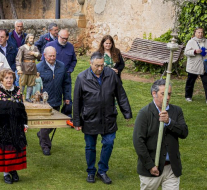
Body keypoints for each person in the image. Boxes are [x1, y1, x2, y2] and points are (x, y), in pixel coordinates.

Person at [73, 52, 132, 184]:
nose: (100, 68)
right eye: (97, 66)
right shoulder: (81, 77)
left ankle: (102, 171)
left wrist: (126, 112)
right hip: (90, 118)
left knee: (109, 143)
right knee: (90, 146)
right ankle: (90, 171)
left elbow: (120, 94)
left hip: (108, 117)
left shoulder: (111, 74)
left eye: (102, 65)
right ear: (90, 63)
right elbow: (77, 101)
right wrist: (77, 121)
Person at [133, 79, 188, 190]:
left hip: (171, 168)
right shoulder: (144, 113)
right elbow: (138, 142)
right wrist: (150, 165)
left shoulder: (176, 111)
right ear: (154, 94)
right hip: (152, 169)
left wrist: (169, 122)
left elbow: (184, 132)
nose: (167, 97)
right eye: (163, 94)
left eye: (169, 94)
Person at [0, 69, 28, 184]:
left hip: (16, 126)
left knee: (15, 150)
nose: (9, 80)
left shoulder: (18, 91)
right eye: (6, 78)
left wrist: (24, 123)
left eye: (11, 78)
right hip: (1, 127)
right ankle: (5, 173)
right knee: (5, 151)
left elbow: (22, 109)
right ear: (2, 80)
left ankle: (13, 170)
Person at [36, 46, 71, 155]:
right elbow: (34, 86)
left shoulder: (62, 66)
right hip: (44, 102)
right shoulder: (39, 68)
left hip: (57, 100)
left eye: (54, 55)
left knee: (54, 123)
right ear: (44, 55)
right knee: (46, 124)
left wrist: (67, 97)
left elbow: (66, 83)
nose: (52, 58)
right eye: (50, 56)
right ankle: (46, 146)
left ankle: (41, 134)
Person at [184, 27, 207, 102]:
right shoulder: (191, 42)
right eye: (198, 32)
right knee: (190, 82)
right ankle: (188, 96)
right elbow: (186, 52)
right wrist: (194, 51)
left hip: (204, 65)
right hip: (194, 65)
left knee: (206, 82)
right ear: (195, 33)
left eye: (201, 32)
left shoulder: (206, 41)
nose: (200, 34)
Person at [16, 33, 41, 102]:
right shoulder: (22, 48)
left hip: (32, 67)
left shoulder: (35, 48)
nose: (32, 40)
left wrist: (34, 53)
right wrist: (19, 69)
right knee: (22, 83)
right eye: (30, 38)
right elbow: (18, 59)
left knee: (31, 84)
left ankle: (27, 97)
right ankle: (20, 97)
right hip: (25, 68)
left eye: (33, 38)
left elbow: (39, 56)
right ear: (27, 39)